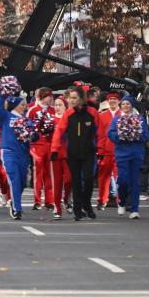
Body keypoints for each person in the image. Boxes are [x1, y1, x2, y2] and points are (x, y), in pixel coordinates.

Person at [52, 86, 99, 221]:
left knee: (89, 179)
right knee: (76, 181)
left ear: (81, 99)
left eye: (74, 98)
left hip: (89, 151)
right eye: (70, 98)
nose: (71, 101)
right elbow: (59, 131)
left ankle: (87, 204)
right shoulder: (68, 114)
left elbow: (100, 133)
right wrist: (54, 149)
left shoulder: (92, 113)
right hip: (72, 153)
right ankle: (78, 210)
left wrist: (100, 149)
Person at [0, 81, 37, 220]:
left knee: (23, 182)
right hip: (9, 152)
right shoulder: (6, 116)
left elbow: (35, 136)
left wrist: (32, 134)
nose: (25, 106)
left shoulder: (26, 120)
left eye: (25, 104)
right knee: (14, 179)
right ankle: (17, 209)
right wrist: (3, 93)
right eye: (22, 104)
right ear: (15, 105)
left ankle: (14, 201)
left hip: (23, 154)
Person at [107, 95, 149, 219]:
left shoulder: (139, 118)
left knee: (135, 181)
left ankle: (135, 209)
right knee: (123, 180)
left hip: (136, 152)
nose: (125, 106)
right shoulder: (117, 119)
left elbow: (146, 135)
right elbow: (110, 133)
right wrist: (121, 136)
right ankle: (122, 201)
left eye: (128, 104)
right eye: (123, 104)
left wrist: (136, 135)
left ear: (132, 106)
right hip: (122, 153)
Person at [27, 87, 56, 210]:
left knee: (49, 174)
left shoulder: (53, 110)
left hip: (50, 144)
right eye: (49, 96)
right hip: (37, 145)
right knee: (38, 173)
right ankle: (37, 200)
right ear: (44, 96)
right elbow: (28, 127)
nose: (51, 98)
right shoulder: (33, 110)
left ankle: (50, 200)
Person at [49, 95, 73, 219]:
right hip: (55, 155)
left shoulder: (70, 119)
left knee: (69, 179)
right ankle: (57, 207)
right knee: (57, 182)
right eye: (56, 105)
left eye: (60, 105)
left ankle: (66, 199)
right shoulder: (50, 120)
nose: (57, 107)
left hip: (68, 154)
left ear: (65, 107)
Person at [96, 92, 121, 210]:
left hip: (119, 151)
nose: (112, 101)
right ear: (107, 101)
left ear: (118, 101)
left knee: (119, 177)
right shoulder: (102, 116)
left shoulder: (123, 115)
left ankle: (120, 200)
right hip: (106, 151)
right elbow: (100, 135)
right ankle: (102, 200)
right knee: (103, 177)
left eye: (115, 99)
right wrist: (100, 150)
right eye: (110, 99)